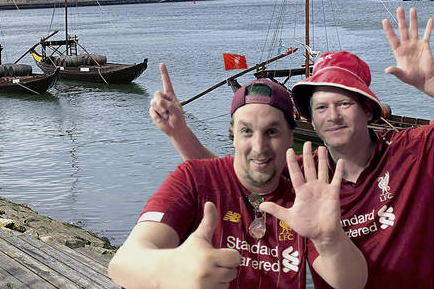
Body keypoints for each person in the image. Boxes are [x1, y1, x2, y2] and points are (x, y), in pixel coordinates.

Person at [148, 6, 434, 288]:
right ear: (311, 120)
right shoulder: (307, 173)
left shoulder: (418, 151)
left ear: (366, 107)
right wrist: (179, 133)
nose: (332, 115)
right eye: (320, 107)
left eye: (344, 103)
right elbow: (237, 179)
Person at [109, 77, 368, 288]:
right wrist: (169, 271)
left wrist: (329, 239)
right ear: (232, 136)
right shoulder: (193, 178)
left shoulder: (303, 197)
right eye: (246, 131)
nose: (259, 147)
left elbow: (351, 282)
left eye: (272, 131)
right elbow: (123, 263)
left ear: (291, 136)